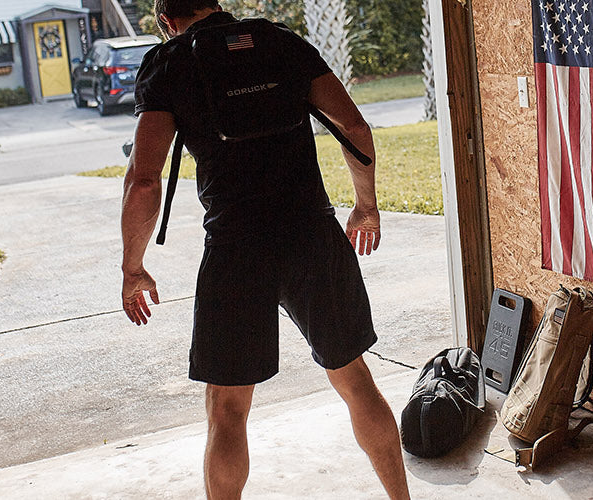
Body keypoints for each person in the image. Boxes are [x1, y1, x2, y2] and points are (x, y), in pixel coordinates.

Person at [117, 1, 410, 498]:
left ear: (166, 21)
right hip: (312, 235)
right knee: (355, 379)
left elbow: (144, 181)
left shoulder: (169, 63)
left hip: (236, 249)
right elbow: (356, 131)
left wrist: (133, 266)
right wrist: (366, 207)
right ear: (219, 6)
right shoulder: (278, 42)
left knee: (228, 411)